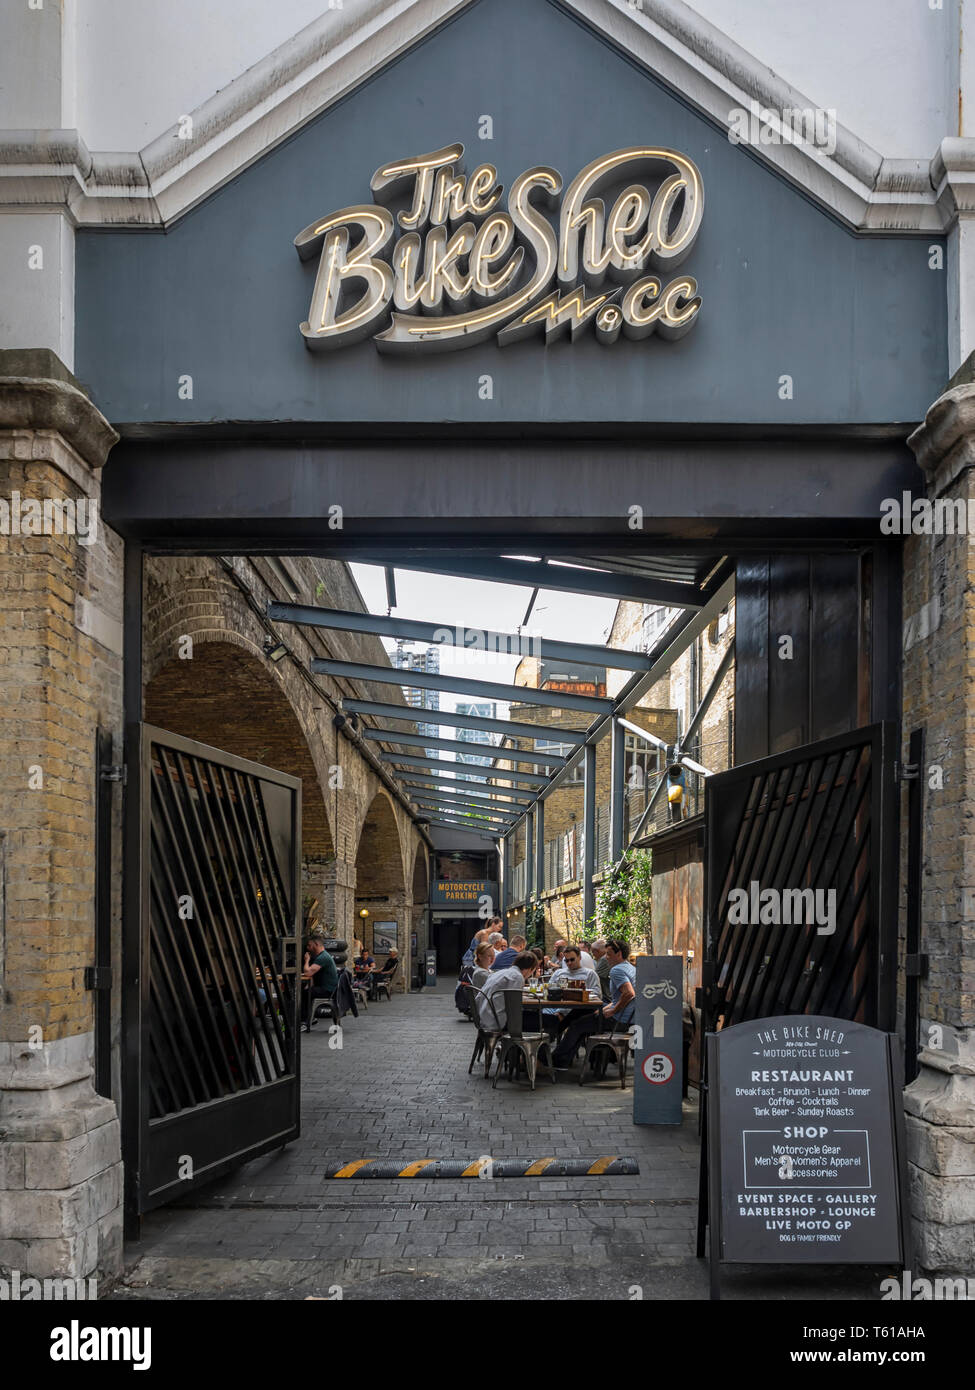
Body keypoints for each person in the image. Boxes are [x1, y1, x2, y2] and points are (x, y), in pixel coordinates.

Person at [552, 938, 634, 1069]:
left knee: (577, 1025)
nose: (605, 957)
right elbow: (618, 998)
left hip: (619, 1021)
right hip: (630, 1020)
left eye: (608, 954)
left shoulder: (616, 970)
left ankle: (555, 1060)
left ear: (618, 954)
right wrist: (606, 1008)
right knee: (580, 1018)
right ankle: (560, 1059)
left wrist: (612, 1011)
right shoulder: (630, 967)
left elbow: (629, 993)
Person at [541, 945, 601, 1039]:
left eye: (572, 959)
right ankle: (547, 1041)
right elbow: (549, 989)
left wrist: (580, 992)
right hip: (557, 1007)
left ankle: (548, 1041)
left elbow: (597, 994)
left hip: (578, 1009)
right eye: (566, 960)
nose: (569, 963)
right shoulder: (559, 973)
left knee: (551, 1021)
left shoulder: (589, 974)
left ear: (580, 957)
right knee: (542, 1015)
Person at [477, 951, 538, 1032]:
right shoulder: (517, 977)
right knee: (550, 1020)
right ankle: (537, 1043)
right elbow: (514, 1007)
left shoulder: (500, 973)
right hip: (499, 1021)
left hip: (484, 1016)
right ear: (530, 969)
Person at [302, 934, 338, 1028]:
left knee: (304, 994)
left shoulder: (323, 957)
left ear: (316, 944)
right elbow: (313, 976)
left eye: (310, 945)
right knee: (304, 991)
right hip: (326, 988)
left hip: (328, 990)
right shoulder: (321, 956)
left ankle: (305, 1021)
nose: (308, 948)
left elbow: (308, 973)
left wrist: (306, 960)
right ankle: (309, 1019)